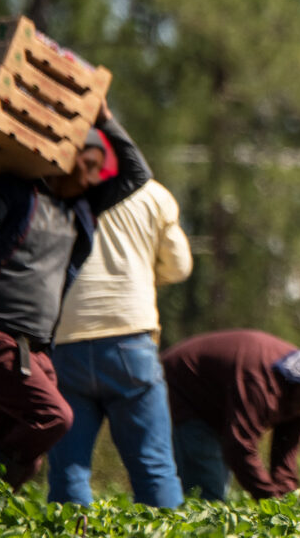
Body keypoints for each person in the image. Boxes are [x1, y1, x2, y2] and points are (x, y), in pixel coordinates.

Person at [0, 100, 151, 519]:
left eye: (97, 170)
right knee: (53, 417)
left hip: (35, 350)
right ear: (62, 159)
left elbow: (137, 174)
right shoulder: (19, 193)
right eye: (86, 164)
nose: (92, 176)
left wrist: (106, 118)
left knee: (27, 452)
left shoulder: (82, 211)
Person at [45, 167, 194, 508]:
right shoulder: (152, 194)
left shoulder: (55, 190)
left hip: (66, 340)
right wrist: (140, 274)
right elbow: (179, 266)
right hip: (129, 340)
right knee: (153, 468)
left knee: (69, 471)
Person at [159, 329, 300, 501]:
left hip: (218, 410)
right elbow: (239, 446)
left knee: (217, 486)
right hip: (182, 390)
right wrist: (270, 499)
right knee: (208, 491)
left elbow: (285, 452)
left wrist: (288, 505)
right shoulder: (261, 382)